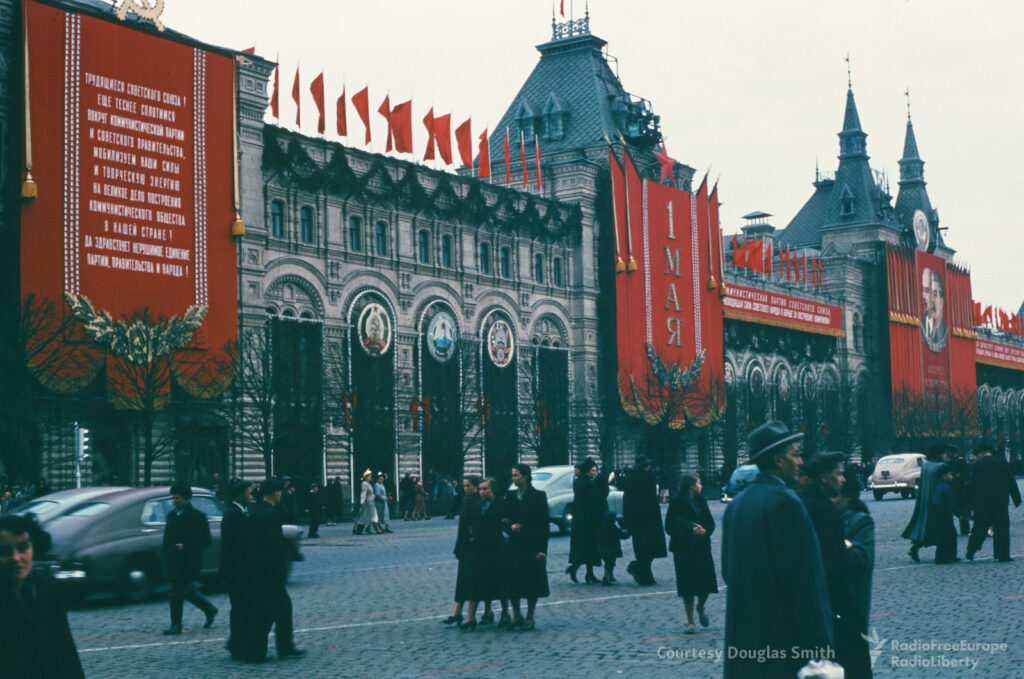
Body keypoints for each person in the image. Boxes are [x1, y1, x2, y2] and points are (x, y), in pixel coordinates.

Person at [721, 420, 836, 679]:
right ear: (778, 460)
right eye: (795, 455)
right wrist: (820, 649)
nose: (801, 462)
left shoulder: (737, 504)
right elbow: (804, 583)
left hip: (744, 643)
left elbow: (728, 572)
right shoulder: (786, 503)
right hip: (782, 645)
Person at [800, 453, 870, 677]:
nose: (843, 479)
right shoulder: (821, 509)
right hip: (835, 608)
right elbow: (834, 566)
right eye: (839, 474)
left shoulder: (804, 503)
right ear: (824, 477)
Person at [0, 513, 84, 678]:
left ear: (33, 547)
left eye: (23, 547)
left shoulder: (46, 585)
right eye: (5, 551)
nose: (16, 558)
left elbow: (65, 649)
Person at [246, 478, 305, 662]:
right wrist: (278, 571)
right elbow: (272, 547)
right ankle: (258, 652)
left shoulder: (255, 511)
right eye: (279, 492)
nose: (281, 495)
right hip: (269, 572)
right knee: (268, 612)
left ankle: (284, 646)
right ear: (274, 493)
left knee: (281, 609)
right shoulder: (270, 514)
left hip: (258, 570)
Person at [665, 473, 718, 635]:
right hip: (684, 548)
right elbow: (669, 526)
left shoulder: (702, 501)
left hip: (702, 546)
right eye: (699, 483)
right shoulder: (676, 502)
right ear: (691, 485)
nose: (701, 486)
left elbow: (710, 522)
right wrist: (689, 531)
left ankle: (700, 607)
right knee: (687, 586)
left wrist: (705, 530)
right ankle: (690, 621)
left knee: (706, 584)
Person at [162, 483, 217, 635]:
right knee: (185, 591)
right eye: (173, 498)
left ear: (186, 499)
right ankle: (209, 609)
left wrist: (186, 546)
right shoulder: (171, 516)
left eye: (177, 498)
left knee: (176, 592)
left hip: (189, 562)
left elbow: (206, 540)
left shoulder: (198, 517)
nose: (174, 501)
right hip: (174, 561)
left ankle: (176, 625)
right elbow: (166, 539)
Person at [502, 464, 549, 631]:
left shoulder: (538, 496)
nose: (514, 479)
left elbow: (544, 524)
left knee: (532, 583)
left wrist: (542, 550)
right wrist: (509, 528)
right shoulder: (510, 496)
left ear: (526, 476)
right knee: (512, 582)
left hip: (532, 544)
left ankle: (530, 615)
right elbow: (504, 519)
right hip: (514, 545)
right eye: (512, 476)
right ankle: (516, 615)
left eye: (516, 475)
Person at [833, 475, 874, 650]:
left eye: (835, 496)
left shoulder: (860, 520)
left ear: (847, 497)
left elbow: (861, 558)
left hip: (852, 599)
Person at [966, 442, 1022, 562]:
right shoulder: (1002, 463)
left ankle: (971, 550)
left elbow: (972, 485)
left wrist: (970, 502)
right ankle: (1002, 554)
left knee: (979, 527)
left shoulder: (977, 465)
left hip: (982, 503)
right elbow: (1011, 482)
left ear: (982, 453)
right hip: (1000, 502)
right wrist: (1016, 499)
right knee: (1002, 528)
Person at [441, 476, 481, 630]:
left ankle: (470, 616)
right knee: (462, 579)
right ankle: (456, 612)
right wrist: (458, 546)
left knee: (472, 581)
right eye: (464, 485)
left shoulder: (479, 502)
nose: (466, 488)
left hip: (474, 545)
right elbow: (461, 527)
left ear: (476, 486)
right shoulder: (465, 501)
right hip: (464, 545)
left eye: (469, 485)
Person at [902, 444, 951, 562]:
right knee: (942, 527)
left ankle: (915, 548)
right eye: (944, 453)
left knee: (925, 526)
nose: (946, 456)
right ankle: (945, 554)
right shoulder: (941, 466)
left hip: (925, 499)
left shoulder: (925, 465)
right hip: (937, 500)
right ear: (939, 454)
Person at [221, 481, 253, 660]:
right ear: (240, 495)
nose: (251, 496)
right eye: (248, 493)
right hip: (237, 571)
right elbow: (236, 547)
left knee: (240, 608)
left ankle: (236, 642)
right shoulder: (234, 515)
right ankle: (237, 645)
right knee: (241, 608)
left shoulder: (238, 512)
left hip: (237, 571)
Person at [622, 456, 667, 586]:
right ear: (646, 466)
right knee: (651, 548)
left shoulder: (631, 479)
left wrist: (628, 519)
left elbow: (627, 501)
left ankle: (644, 572)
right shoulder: (649, 478)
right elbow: (652, 498)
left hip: (636, 518)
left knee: (642, 548)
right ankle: (642, 571)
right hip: (649, 517)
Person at [471, 478, 510, 625]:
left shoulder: (501, 504)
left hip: (497, 547)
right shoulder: (477, 505)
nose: (482, 492)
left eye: (485, 489)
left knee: (501, 581)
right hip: (481, 547)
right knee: (484, 581)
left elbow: (506, 523)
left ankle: (505, 613)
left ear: (493, 489)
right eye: (480, 489)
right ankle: (488, 611)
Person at [566, 457, 602, 584]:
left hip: (580, 519)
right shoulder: (589, 484)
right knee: (588, 547)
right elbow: (593, 503)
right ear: (588, 471)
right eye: (593, 470)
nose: (595, 472)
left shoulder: (579, 482)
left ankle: (589, 573)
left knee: (586, 547)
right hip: (588, 520)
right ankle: (576, 569)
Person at [930, 465, 961, 564]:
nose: (952, 476)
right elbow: (951, 502)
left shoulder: (939, 486)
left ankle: (946, 556)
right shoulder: (947, 488)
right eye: (950, 474)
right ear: (944, 476)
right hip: (943, 511)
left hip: (937, 510)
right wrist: (958, 513)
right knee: (949, 534)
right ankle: (944, 556)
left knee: (944, 534)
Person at [597, 510, 630, 585]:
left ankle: (610, 576)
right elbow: (622, 535)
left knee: (609, 563)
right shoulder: (613, 528)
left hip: (603, 550)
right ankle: (605, 578)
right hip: (611, 550)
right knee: (610, 563)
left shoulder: (603, 527)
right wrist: (629, 533)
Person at [920, 267, 947, 353]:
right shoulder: (921, 326)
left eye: (935, 294)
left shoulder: (946, 331)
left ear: (942, 300)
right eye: (928, 292)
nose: (931, 299)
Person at [355, 469, 379, 534]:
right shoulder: (364, 484)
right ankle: (359, 529)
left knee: (369, 516)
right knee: (365, 516)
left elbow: (370, 492)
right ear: (367, 477)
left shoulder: (368, 484)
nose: (371, 477)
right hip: (367, 502)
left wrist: (373, 495)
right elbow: (363, 493)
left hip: (371, 501)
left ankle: (367, 528)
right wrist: (362, 501)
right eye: (370, 476)